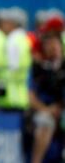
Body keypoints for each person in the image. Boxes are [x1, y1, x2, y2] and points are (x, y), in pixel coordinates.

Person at [29, 33, 65, 163]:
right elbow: (31, 97)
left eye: (55, 44)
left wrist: (59, 108)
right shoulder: (38, 69)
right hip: (45, 110)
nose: (52, 48)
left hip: (61, 110)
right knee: (44, 122)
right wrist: (47, 109)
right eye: (48, 45)